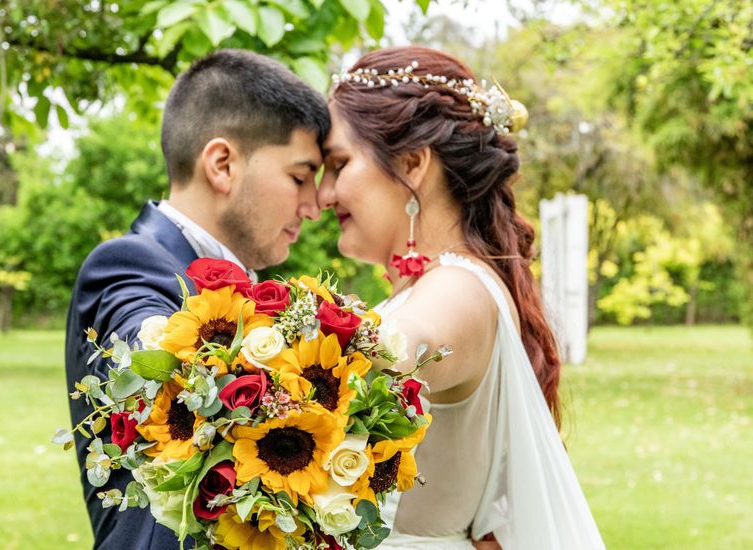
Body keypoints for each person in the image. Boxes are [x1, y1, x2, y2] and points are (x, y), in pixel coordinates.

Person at [318, 46, 604, 549]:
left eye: (338, 164)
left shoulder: (457, 288)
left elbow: (406, 345)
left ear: (412, 162)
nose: (324, 194)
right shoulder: (445, 283)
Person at [64, 49, 328, 550]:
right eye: (299, 177)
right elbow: (156, 355)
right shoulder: (126, 265)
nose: (314, 206)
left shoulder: (250, 288)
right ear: (222, 164)